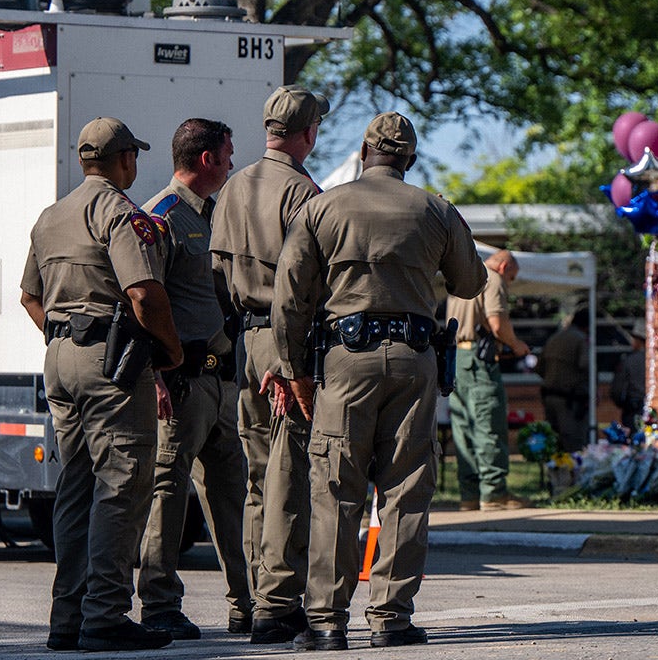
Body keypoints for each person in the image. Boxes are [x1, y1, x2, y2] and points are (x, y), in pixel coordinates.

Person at [270, 112, 486, 650]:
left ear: (365, 152)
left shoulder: (321, 207)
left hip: (345, 361)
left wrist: (294, 368)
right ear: (409, 159)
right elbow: (471, 280)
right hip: (414, 360)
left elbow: (289, 297)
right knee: (406, 488)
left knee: (336, 488)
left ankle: (326, 622)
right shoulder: (435, 209)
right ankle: (391, 619)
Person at [20, 117, 184, 652]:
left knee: (77, 484)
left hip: (60, 357)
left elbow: (29, 296)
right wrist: (171, 350)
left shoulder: (51, 216)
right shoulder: (117, 212)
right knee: (124, 482)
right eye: (133, 155)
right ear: (124, 161)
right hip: (109, 363)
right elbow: (143, 292)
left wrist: (64, 333)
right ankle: (105, 614)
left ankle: (66, 617)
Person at [209, 84, 328, 644]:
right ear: (308, 132)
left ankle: (255, 598)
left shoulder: (233, 186)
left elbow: (214, 273)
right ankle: (278, 604)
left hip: (245, 341)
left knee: (259, 477)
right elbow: (305, 284)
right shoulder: (301, 192)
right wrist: (292, 361)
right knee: (289, 476)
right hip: (287, 345)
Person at [136, 118, 253, 639]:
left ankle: (247, 602)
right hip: (180, 383)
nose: (231, 163)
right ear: (206, 158)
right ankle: (160, 603)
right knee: (167, 492)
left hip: (221, 380)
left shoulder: (213, 215)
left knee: (233, 495)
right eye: (227, 154)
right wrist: (154, 374)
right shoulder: (160, 217)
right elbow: (140, 296)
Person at [446, 249, 531, 511]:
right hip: (480, 362)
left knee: (463, 429)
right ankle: (494, 492)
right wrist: (517, 346)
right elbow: (497, 323)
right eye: (512, 278)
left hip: (457, 359)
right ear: (504, 266)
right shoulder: (491, 279)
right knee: (488, 424)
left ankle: (469, 495)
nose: (510, 283)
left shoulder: (463, 279)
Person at [538, 308, 591, 452]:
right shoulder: (581, 339)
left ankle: (556, 474)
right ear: (587, 326)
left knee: (554, 444)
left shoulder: (554, 337)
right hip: (570, 401)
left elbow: (539, 368)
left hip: (549, 397)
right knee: (574, 445)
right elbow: (585, 366)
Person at [610, 319, 646, 432]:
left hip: (633, 409)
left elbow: (617, 389)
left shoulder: (628, 361)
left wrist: (621, 404)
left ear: (639, 340)